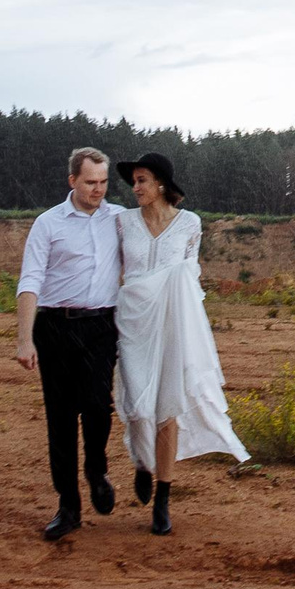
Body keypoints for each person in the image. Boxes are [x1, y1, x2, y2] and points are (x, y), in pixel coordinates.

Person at [111, 152, 247, 534]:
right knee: (137, 406)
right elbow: (116, 273)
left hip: (173, 326)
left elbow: (190, 278)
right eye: (133, 181)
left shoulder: (190, 224)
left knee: (167, 410)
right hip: (134, 324)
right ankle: (142, 461)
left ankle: (163, 498)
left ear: (161, 184)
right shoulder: (122, 223)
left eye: (141, 180)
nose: (135, 188)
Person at [14, 146, 122, 541]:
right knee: (60, 420)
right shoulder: (48, 224)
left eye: (104, 182)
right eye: (90, 182)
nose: (98, 190)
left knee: (97, 405)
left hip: (100, 327)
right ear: (72, 180)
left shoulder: (119, 220)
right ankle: (68, 507)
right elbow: (30, 281)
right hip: (55, 327)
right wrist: (25, 338)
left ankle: (96, 468)